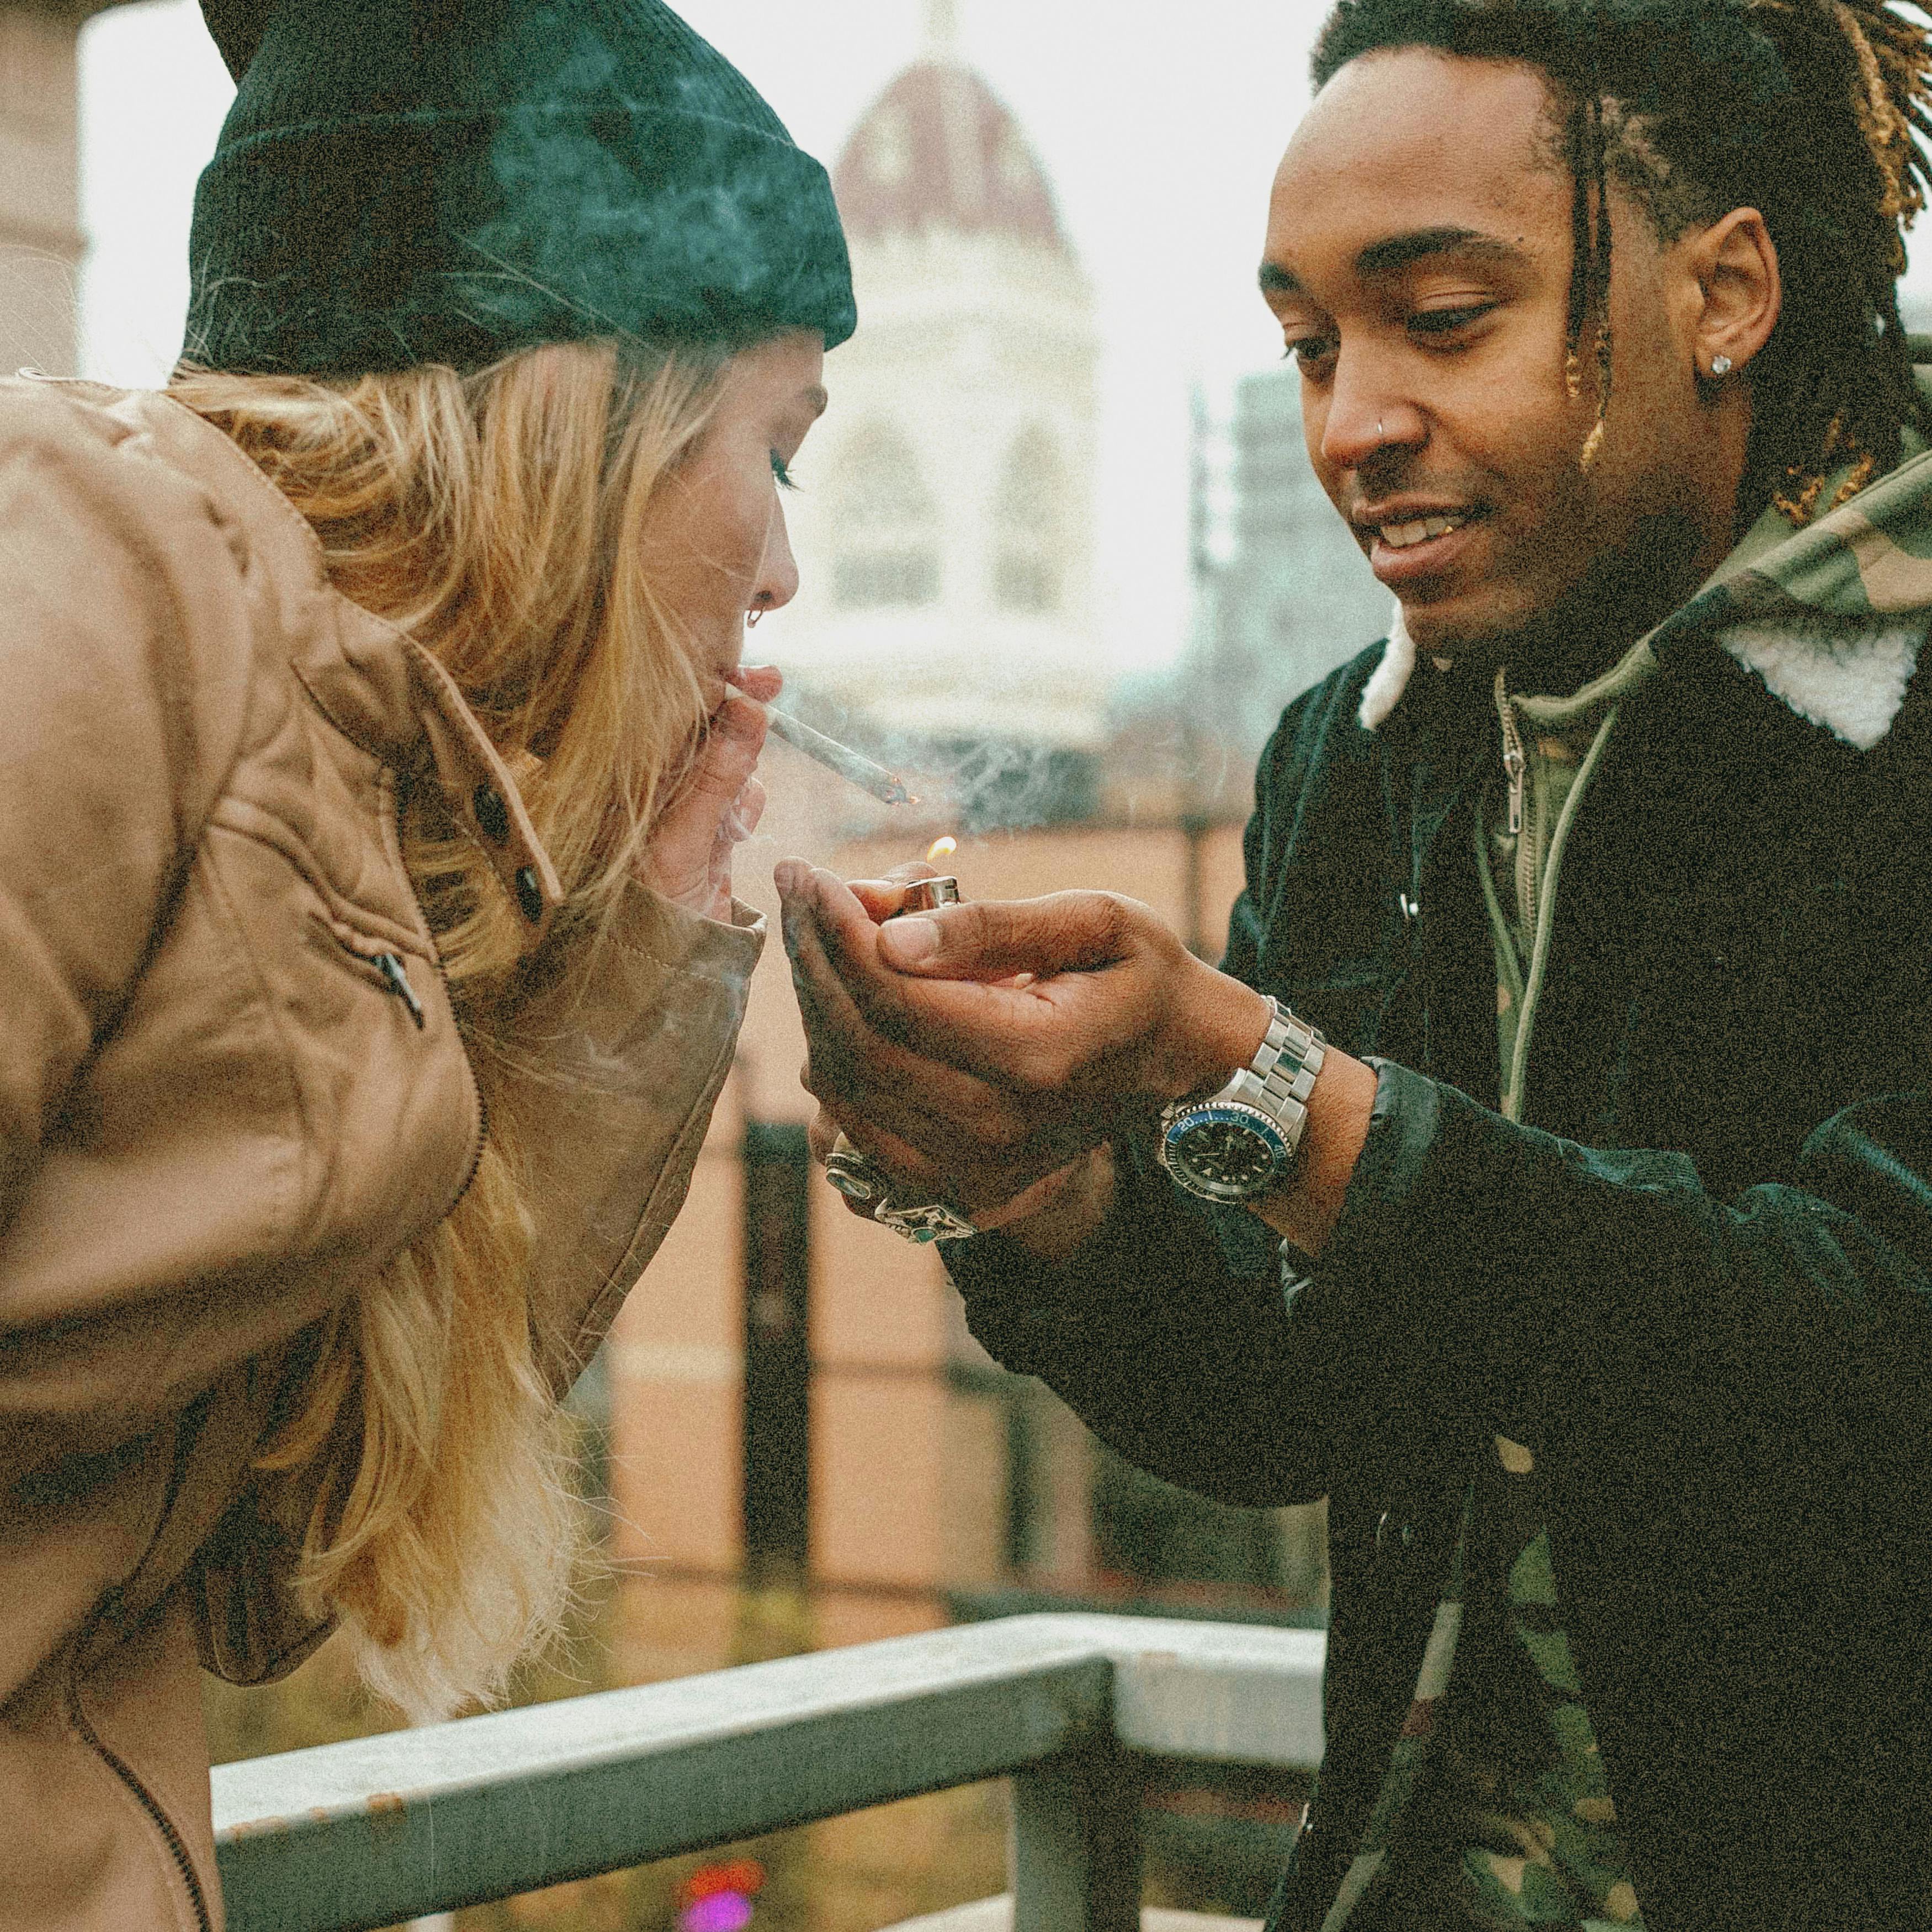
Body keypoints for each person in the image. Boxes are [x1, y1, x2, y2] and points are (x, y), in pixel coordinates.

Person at [779, 1, 1932, 1926]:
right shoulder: (1353, 755)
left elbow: (1848, 1360)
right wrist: (1035, 1190)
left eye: (1441, 319)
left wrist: (1254, 1083)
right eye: (1306, 346)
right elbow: (1284, 1401)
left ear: (1723, 290)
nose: (1348, 424)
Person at [0, 1, 852, 1925]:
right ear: (593, 415)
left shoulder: (369, 826)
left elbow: (269, 1565)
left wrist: (619, 963)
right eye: (774, 450)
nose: (783, 564)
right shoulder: (83, 573)